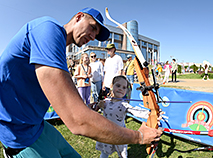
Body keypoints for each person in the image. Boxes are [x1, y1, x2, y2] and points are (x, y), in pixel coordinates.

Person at [0, 7, 162, 158]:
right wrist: (139, 136)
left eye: (96, 35)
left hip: (36, 125)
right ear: (78, 17)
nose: (93, 36)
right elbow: (78, 121)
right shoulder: (47, 29)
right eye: (92, 27)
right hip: (18, 135)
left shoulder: (57, 48)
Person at [94, 76, 150, 158]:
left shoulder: (124, 105)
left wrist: (150, 113)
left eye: (124, 87)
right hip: (106, 132)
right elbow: (94, 110)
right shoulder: (106, 102)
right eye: (118, 86)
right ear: (111, 86)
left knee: (123, 154)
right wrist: (99, 105)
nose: (121, 89)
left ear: (126, 91)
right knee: (104, 153)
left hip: (120, 133)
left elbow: (137, 112)